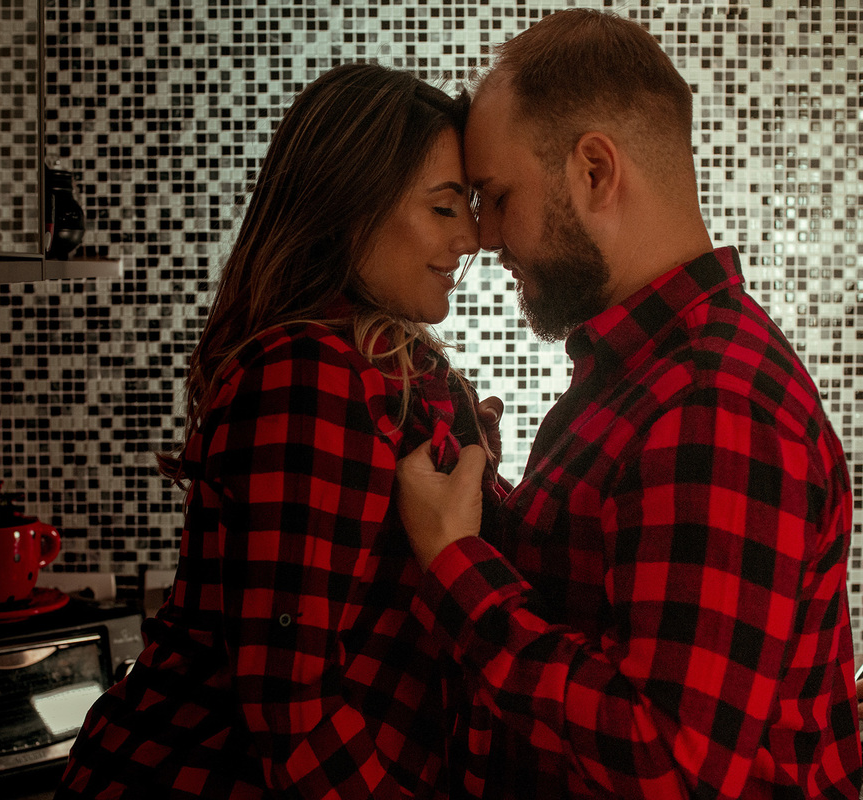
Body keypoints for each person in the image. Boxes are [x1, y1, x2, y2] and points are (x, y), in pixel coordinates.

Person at [395, 9, 863, 799]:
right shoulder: (639, 372)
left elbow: (666, 765)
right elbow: (594, 600)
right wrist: (484, 503)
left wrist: (455, 568)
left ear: (595, 172)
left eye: (496, 196)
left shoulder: (717, 403)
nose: (481, 236)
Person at [56, 62, 490, 799]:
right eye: (445, 208)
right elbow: (293, 708)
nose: (473, 237)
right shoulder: (308, 373)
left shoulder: (379, 366)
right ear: (352, 205)